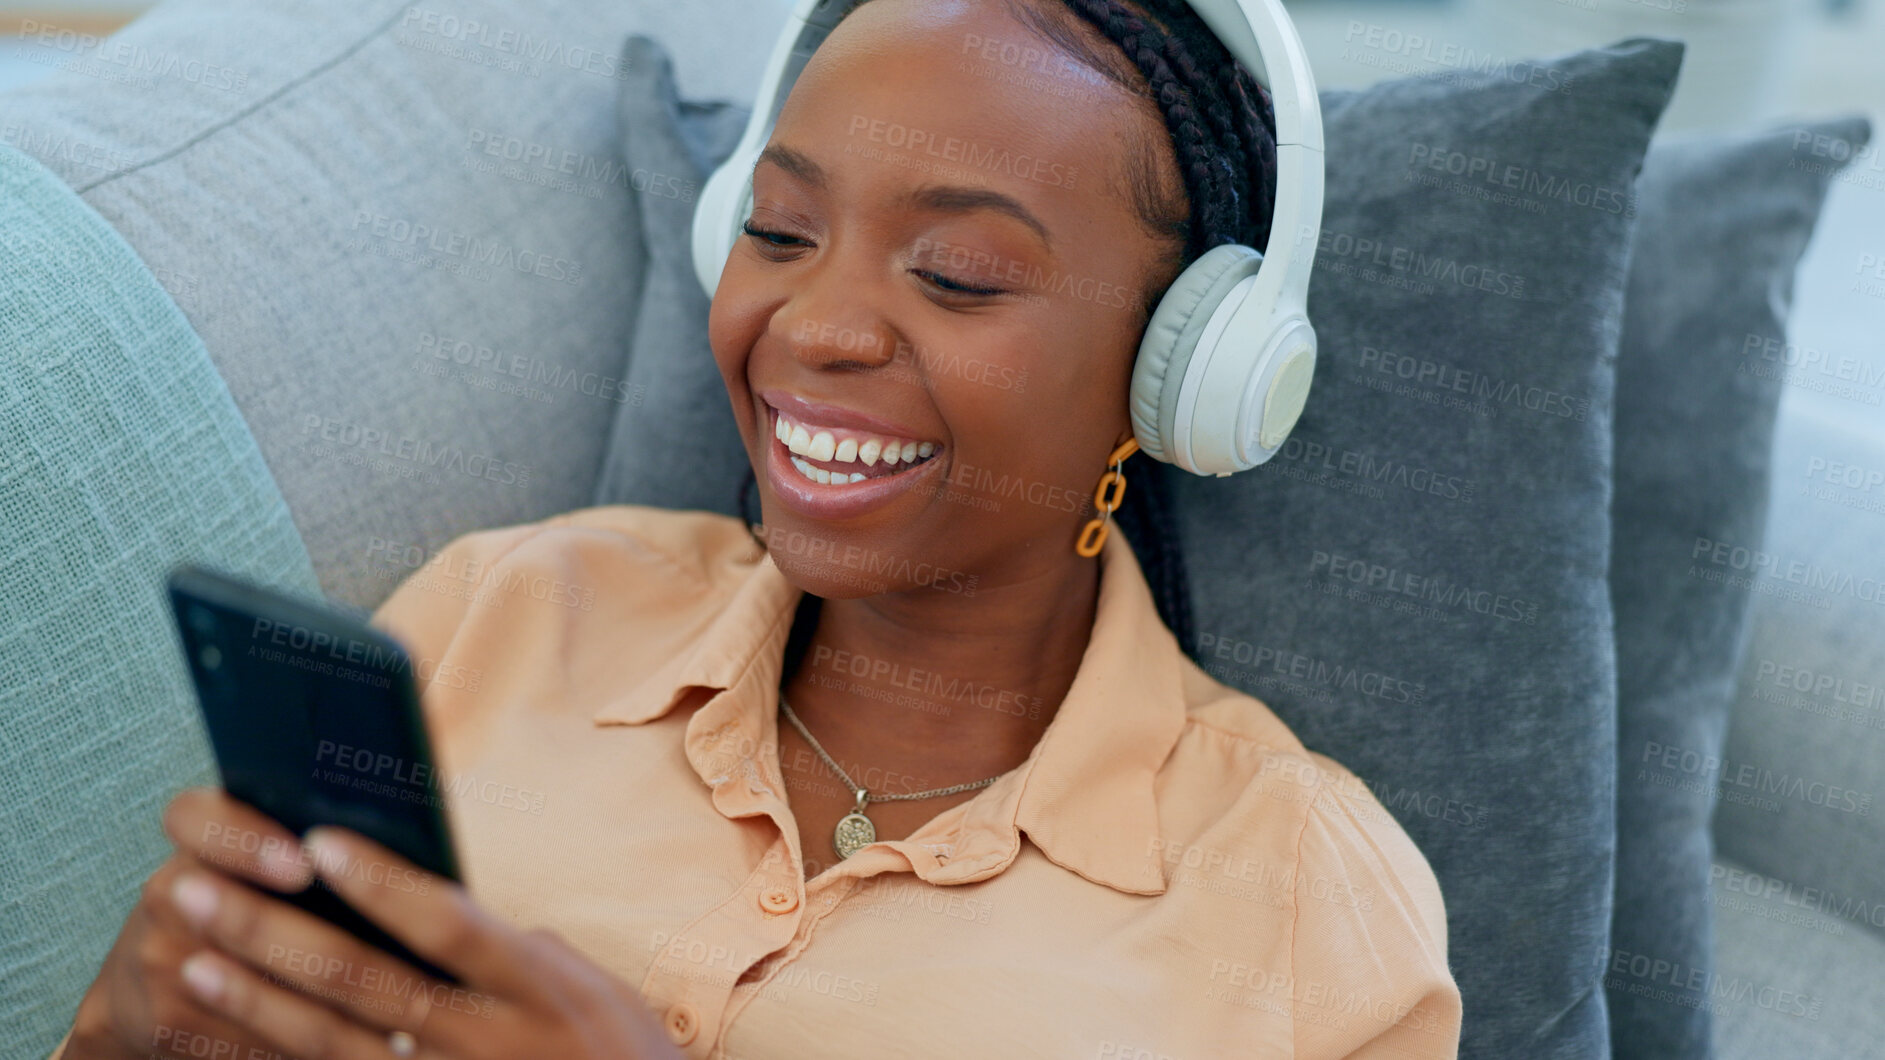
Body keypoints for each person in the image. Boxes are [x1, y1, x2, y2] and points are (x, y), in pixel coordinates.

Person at [55, 1, 1463, 1056]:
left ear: (1183, 366)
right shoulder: (512, 610)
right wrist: (125, 1036)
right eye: (779, 234)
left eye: (957, 274)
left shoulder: (1301, 910)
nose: (816, 328)